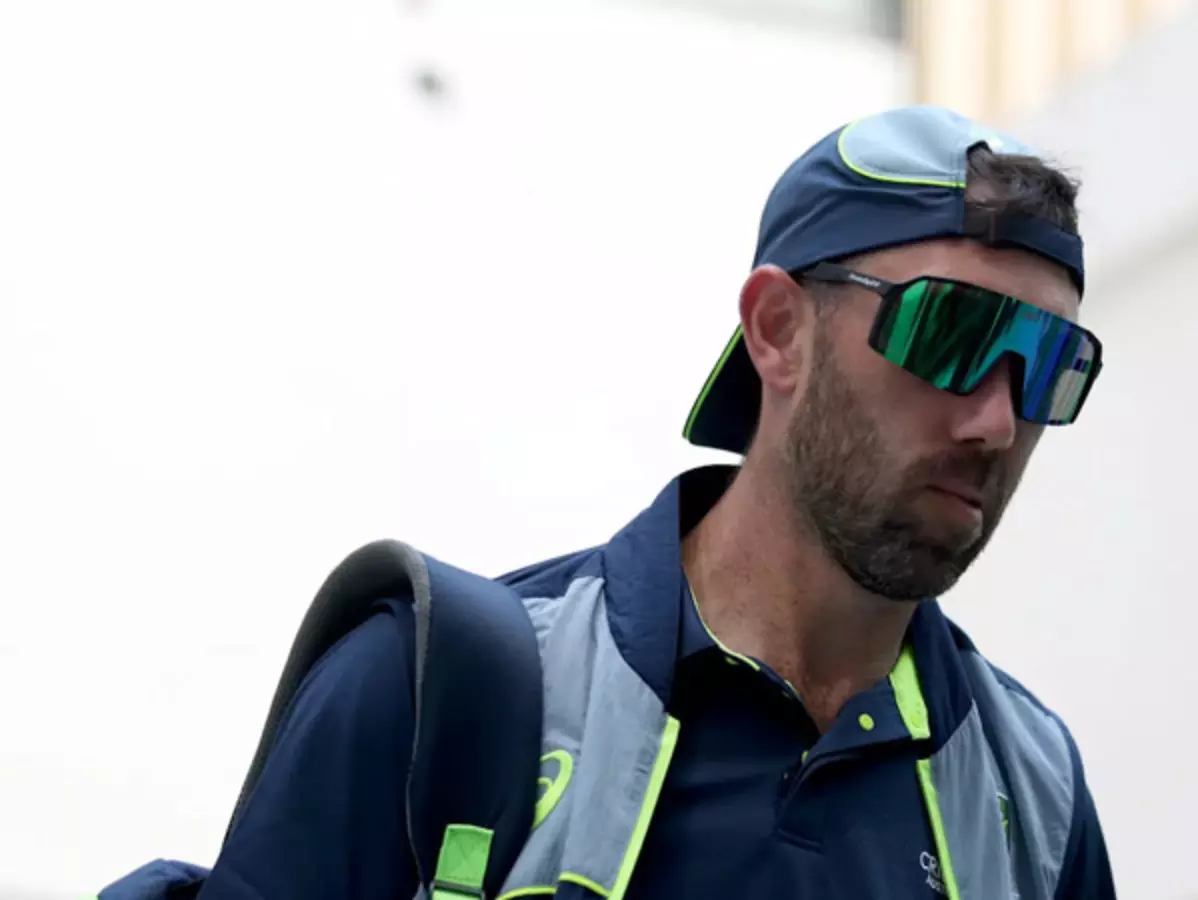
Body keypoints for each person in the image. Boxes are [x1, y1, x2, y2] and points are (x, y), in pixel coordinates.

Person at [199, 104, 1114, 900]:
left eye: (1050, 368)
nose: (997, 421)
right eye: (952, 331)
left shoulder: (1037, 802)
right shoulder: (432, 693)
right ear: (778, 331)